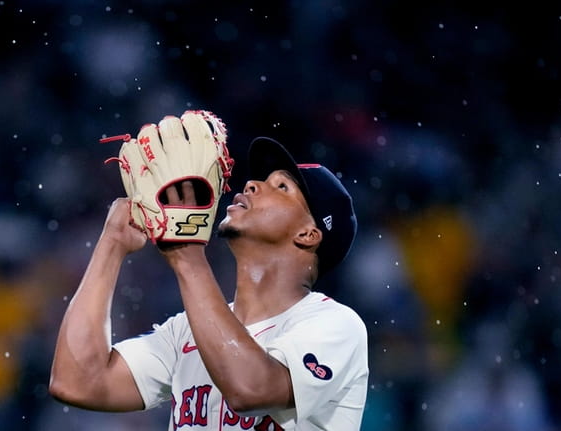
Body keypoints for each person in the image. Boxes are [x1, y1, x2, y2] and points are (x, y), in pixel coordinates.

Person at [49, 136, 369, 430]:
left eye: (281, 187)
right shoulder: (186, 331)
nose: (253, 185)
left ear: (308, 235)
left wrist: (186, 253)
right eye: (259, 179)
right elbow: (76, 382)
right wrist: (111, 244)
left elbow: (250, 389)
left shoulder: (335, 325)